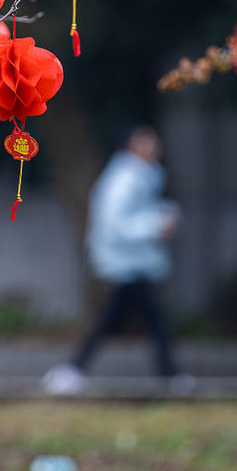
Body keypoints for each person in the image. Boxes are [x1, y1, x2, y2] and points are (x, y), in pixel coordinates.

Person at [41, 125, 194, 396]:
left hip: (133, 262)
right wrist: (157, 225)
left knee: (119, 319)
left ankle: (73, 371)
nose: (153, 147)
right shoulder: (125, 179)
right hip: (125, 262)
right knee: (138, 320)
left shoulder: (141, 176)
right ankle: (170, 375)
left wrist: (163, 217)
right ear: (131, 147)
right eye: (145, 142)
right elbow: (117, 224)